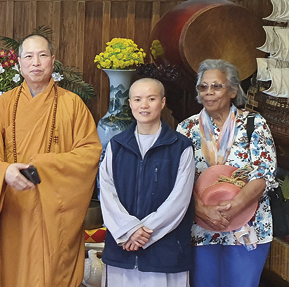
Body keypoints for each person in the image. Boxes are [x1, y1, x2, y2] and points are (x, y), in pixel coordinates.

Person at [0, 34, 102, 287]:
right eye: (29, 56)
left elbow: (89, 153)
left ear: (52, 61)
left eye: (42, 55)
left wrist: (45, 166)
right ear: (20, 63)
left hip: (56, 212)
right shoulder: (3, 105)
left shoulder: (73, 105)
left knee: (52, 274)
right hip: (14, 210)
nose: (36, 62)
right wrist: (3, 171)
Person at [177, 59, 277, 287]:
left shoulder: (253, 123)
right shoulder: (186, 128)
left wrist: (232, 208)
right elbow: (179, 179)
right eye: (203, 87)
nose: (208, 92)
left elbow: (264, 173)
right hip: (200, 225)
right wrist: (204, 211)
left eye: (216, 86)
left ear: (233, 91)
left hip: (248, 225)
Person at [99, 78, 195, 286]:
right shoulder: (117, 145)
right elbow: (107, 193)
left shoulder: (181, 147)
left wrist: (143, 233)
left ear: (162, 103)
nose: (144, 105)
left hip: (165, 252)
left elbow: (180, 199)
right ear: (130, 103)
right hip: (122, 249)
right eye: (137, 99)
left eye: (151, 99)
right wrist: (130, 230)